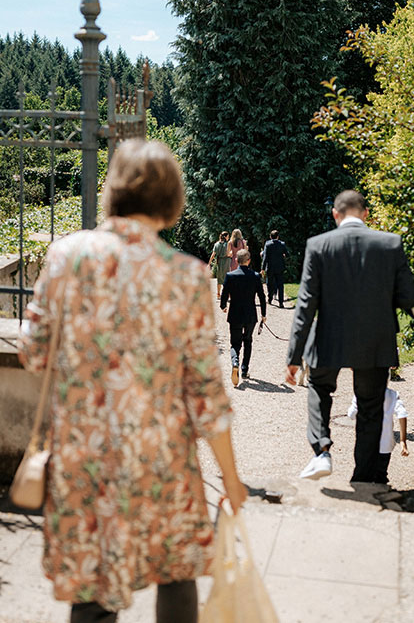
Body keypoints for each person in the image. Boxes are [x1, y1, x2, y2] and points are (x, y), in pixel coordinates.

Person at [18, 139, 247, 623]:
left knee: (95, 593)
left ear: (113, 191)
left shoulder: (64, 257)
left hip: (86, 458)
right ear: (171, 199)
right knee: (176, 572)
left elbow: (34, 354)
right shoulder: (186, 276)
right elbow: (205, 393)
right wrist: (230, 477)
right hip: (161, 462)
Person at [285, 189, 414, 483]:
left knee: (319, 389)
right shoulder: (389, 244)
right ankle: (362, 477)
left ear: (336, 215)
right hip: (374, 340)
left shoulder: (318, 245)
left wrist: (294, 356)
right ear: (366, 215)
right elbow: (407, 296)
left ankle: (322, 450)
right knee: (370, 407)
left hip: (329, 338)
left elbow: (305, 305)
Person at [220, 248, 267, 386]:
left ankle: (235, 362)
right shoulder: (255, 276)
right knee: (248, 341)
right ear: (249, 261)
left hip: (235, 314)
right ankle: (245, 369)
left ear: (236, 260)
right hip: (250, 315)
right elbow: (262, 297)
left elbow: (224, 294)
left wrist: (223, 306)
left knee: (235, 343)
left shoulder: (230, 276)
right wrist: (264, 314)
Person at [346, 386, 408, 484]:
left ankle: (367, 494)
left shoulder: (361, 394)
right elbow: (402, 414)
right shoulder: (393, 395)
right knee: (381, 474)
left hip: (366, 444)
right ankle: (381, 492)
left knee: (364, 472)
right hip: (385, 444)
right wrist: (402, 441)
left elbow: (351, 414)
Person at [261, 229, 288, 308]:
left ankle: (270, 298)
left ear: (270, 236)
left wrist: (262, 268)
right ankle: (281, 302)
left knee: (270, 283)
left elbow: (265, 257)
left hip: (270, 267)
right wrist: (283, 255)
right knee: (280, 285)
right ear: (278, 237)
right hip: (280, 267)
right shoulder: (282, 244)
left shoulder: (268, 244)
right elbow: (287, 254)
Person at [209, 231, 231, 298]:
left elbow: (213, 254)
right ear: (225, 237)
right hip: (227, 261)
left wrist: (209, 263)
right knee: (227, 278)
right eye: (228, 236)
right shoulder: (228, 244)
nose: (228, 237)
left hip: (219, 262)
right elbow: (229, 254)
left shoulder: (216, 244)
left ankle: (218, 294)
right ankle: (228, 294)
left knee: (219, 278)